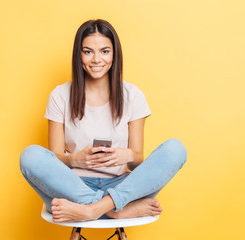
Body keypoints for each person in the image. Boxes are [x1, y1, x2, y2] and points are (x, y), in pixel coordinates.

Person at [20, 19, 187, 223]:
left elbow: (138, 165)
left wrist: (127, 155)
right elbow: (52, 158)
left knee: (175, 149)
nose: (96, 59)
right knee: (30, 156)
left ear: (114, 54)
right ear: (78, 55)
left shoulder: (132, 95)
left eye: (105, 51)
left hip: (121, 186)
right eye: (88, 51)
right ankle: (114, 210)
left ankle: (94, 209)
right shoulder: (60, 95)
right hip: (74, 187)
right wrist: (75, 160)